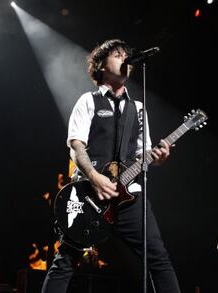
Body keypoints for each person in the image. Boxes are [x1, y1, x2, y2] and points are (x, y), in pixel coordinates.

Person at [41, 39, 181, 293]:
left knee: (158, 259)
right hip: (89, 197)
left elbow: (143, 155)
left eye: (127, 55)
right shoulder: (88, 101)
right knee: (65, 263)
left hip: (130, 198)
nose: (125, 59)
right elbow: (76, 146)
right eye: (118, 55)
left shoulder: (138, 109)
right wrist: (95, 178)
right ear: (101, 65)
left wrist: (159, 158)